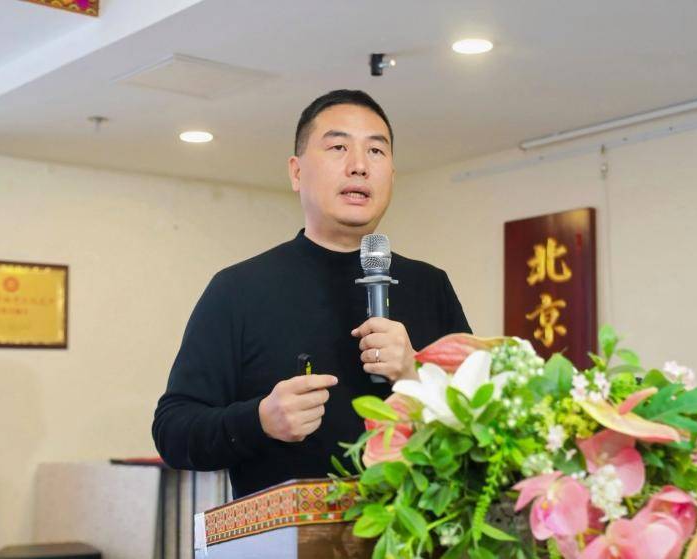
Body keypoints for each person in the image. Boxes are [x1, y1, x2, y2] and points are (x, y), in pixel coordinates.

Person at [152, 89, 471, 498]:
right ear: (297, 172)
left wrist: (414, 374)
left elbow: (482, 425)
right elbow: (173, 431)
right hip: (287, 531)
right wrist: (260, 420)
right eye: (339, 147)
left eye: (376, 151)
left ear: (392, 175)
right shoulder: (238, 289)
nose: (359, 166)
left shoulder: (430, 285)